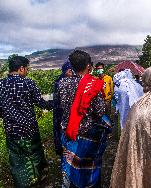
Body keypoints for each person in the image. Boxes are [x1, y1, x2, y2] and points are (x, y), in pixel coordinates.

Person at [57, 50, 112, 188]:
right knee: (88, 168)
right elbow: (99, 111)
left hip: (69, 132)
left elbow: (62, 107)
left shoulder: (62, 83)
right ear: (89, 66)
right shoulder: (93, 84)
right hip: (87, 135)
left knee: (70, 164)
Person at [0, 55, 53, 187]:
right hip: (29, 129)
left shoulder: (1, 84)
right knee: (34, 156)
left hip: (12, 131)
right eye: (27, 69)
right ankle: (38, 180)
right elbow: (40, 102)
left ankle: (22, 184)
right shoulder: (28, 83)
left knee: (17, 161)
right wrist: (54, 104)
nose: (27, 71)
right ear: (21, 68)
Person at [53, 61, 73, 155]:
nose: (72, 73)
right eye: (70, 71)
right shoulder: (61, 82)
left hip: (61, 112)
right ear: (66, 71)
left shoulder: (58, 80)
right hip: (62, 113)